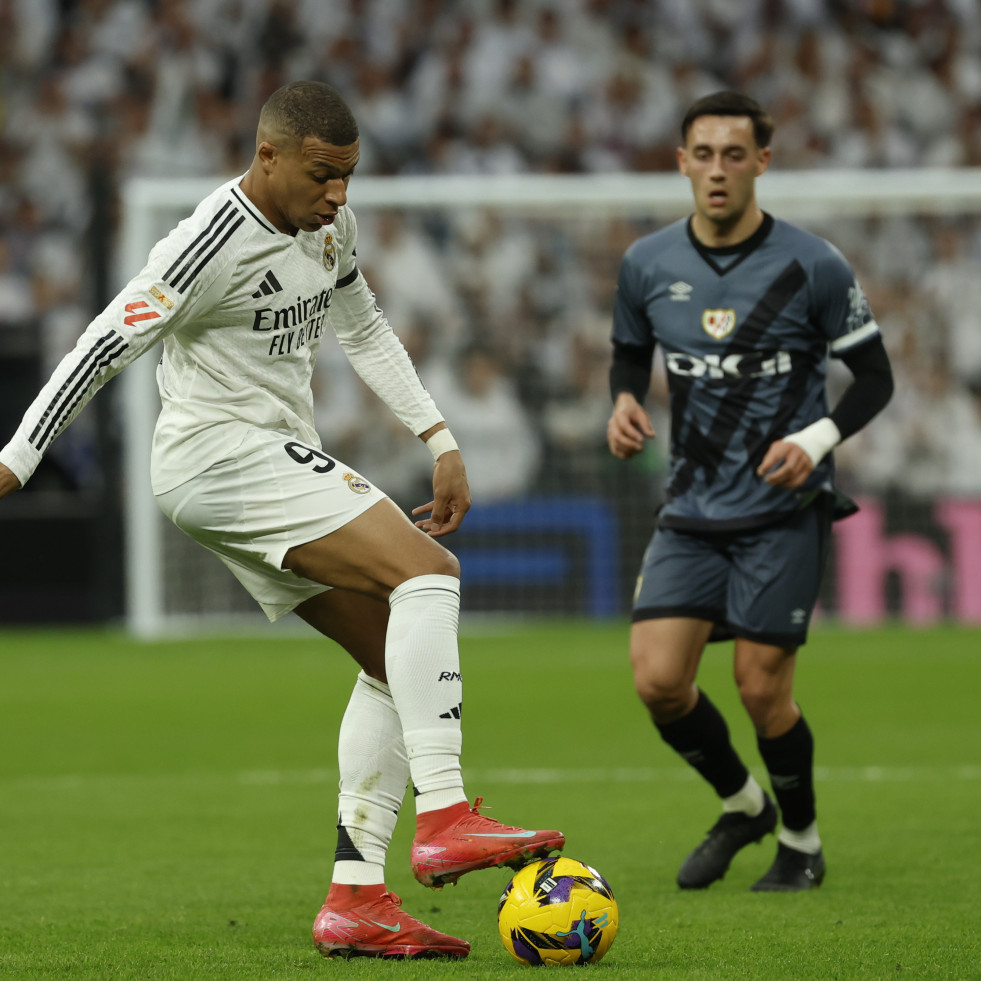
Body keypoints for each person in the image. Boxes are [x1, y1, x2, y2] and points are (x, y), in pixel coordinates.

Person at [0, 80, 564, 958]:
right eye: (322, 174)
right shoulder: (206, 242)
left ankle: (356, 897)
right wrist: (16, 460)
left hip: (257, 459)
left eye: (348, 176)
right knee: (430, 572)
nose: (337, 194)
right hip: (219, 455)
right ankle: (445, 812)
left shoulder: (326, 228)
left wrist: (439, 436)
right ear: (268, 157)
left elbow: (365, 326)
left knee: (391, 658)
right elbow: (106, 341)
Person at [605, 91, 893, 892]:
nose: (718, 170)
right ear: (681, 162)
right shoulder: (647, 263)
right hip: (690, 507)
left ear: (761, 162)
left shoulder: (814, 265)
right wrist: (624, 400)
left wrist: (815, 439)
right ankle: (742, 803)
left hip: (781, 509)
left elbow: (874, 378)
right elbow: (629, 353)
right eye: (703, 154)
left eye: (735, 155)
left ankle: (800, 840)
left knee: (761, 688)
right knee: (657, 680)